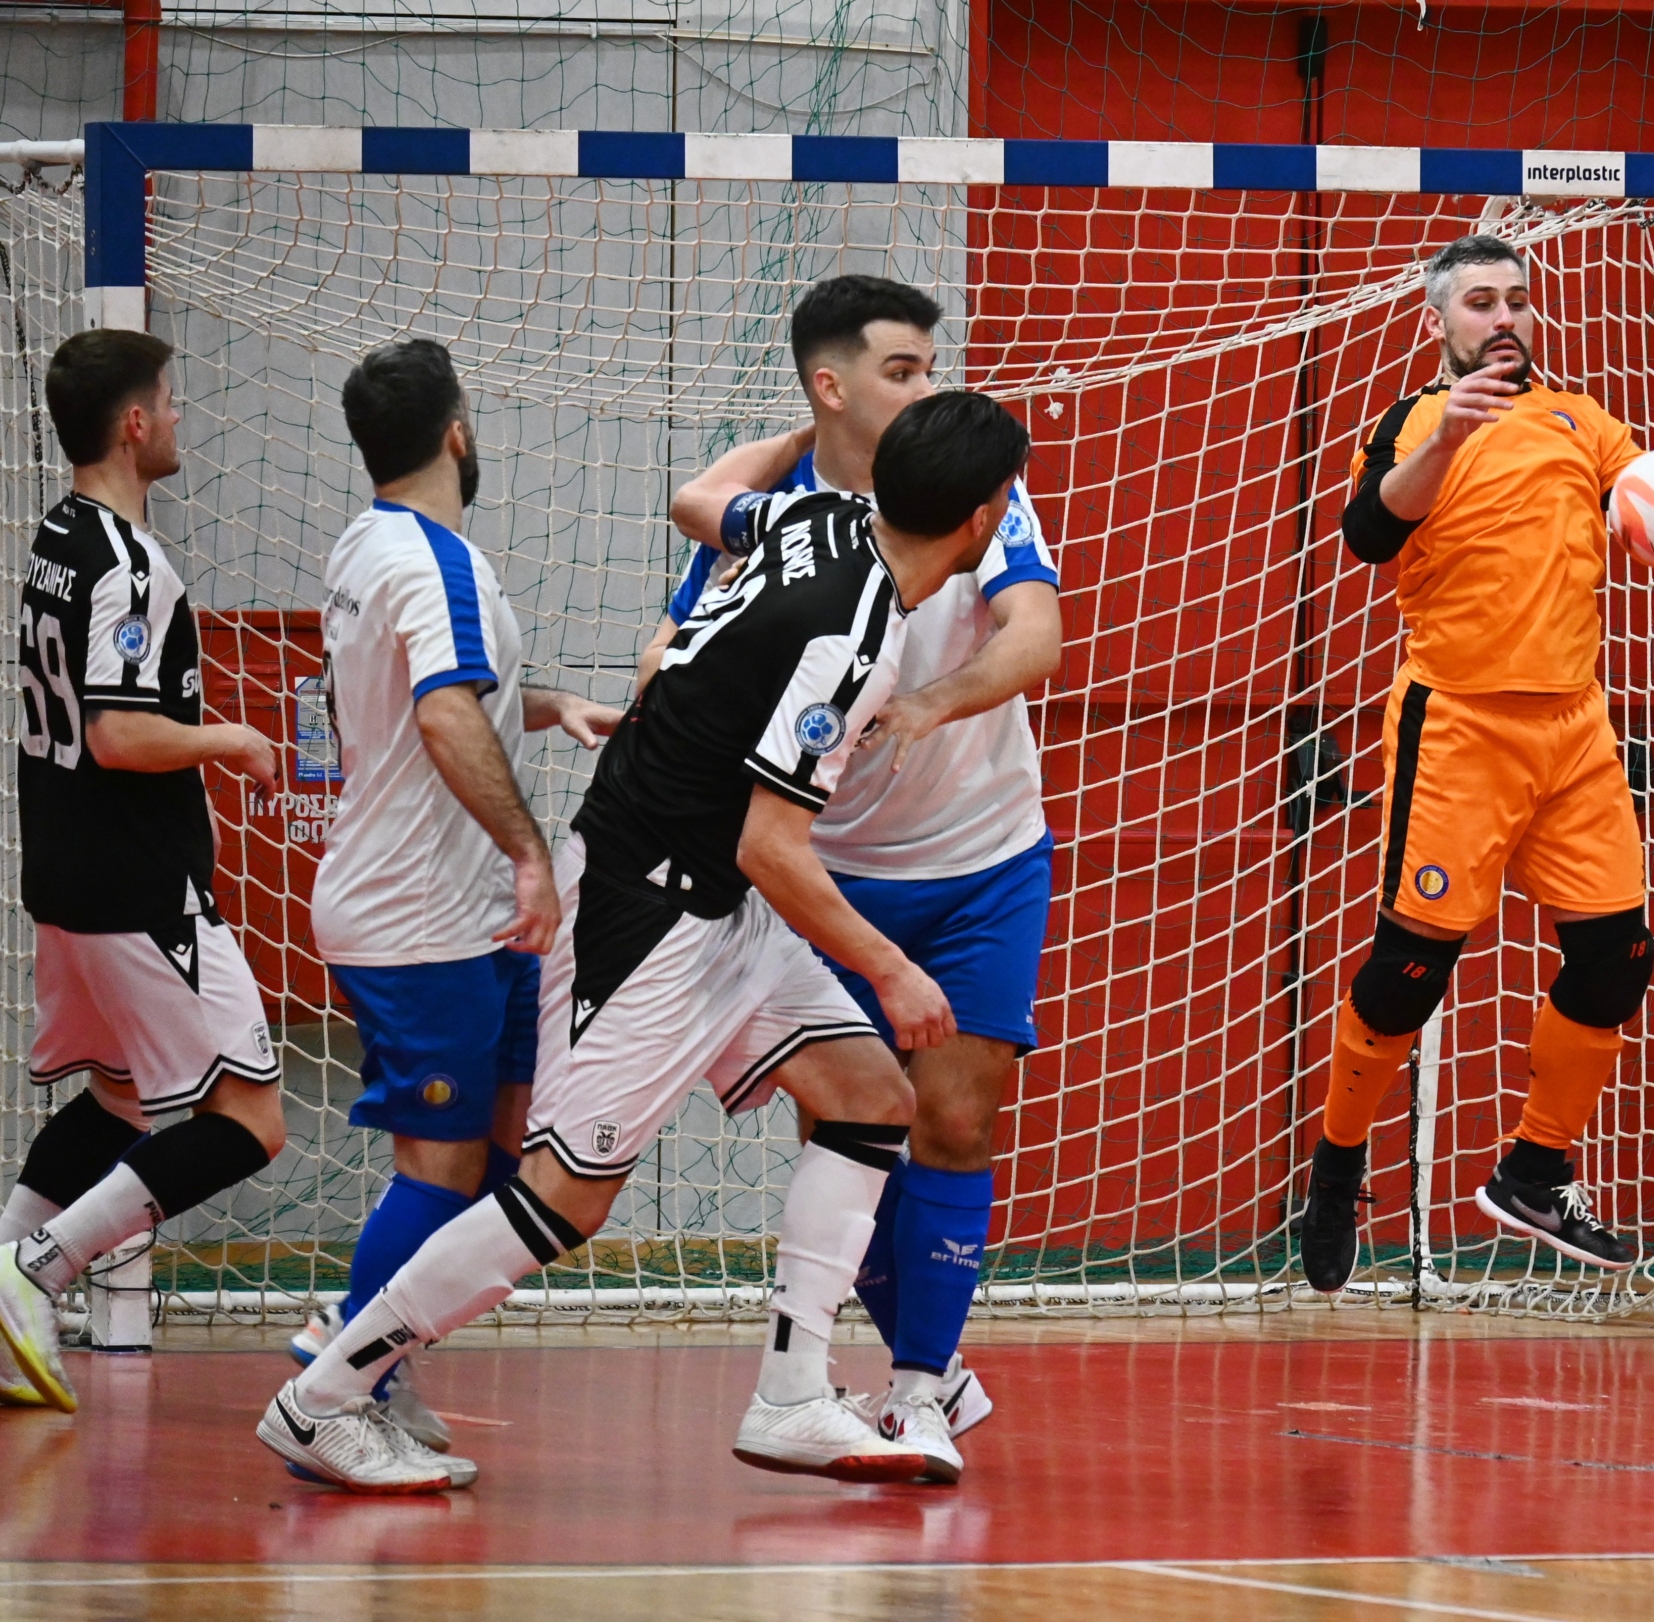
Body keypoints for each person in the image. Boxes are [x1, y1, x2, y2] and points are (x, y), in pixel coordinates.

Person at [257, 390, 1030, 1493]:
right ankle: (325, 1395)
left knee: (869, 1095)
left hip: (718, 898)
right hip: (651, 909)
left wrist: (799, 436)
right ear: (985, 517)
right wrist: (894, 968)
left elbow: (702, 500)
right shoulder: (858, 634)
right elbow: (773, 844)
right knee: (563, 1198)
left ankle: (792, 1394)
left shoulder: (814, 517)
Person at [1298, 234, 1654, 1289]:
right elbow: (1370, 534)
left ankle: (1533, 1169)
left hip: (1573, 732)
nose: (1504, 316)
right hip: (1458, 726)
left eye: (1518, 298)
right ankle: (1336, 1164)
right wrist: (1447, 437)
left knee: (1618, 957)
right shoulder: (1415, 421)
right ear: (1438, 322)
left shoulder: (1580, 419)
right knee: (1409, 970)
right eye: (1480, 301)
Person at [663, 275, 1060, 1484]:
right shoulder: (785, 520)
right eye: (902, 369)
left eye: (933, 365)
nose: (928, 386)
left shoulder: (982, 494)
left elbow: (1035, 634)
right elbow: (681, 593)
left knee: (959, 1118)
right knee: (857, 1128)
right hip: (827, 870)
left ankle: (918, 1388)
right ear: (830, 387)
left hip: (984, 854)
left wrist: (932, 700)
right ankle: (908, 1361)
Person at [289, 339, 621, 1454]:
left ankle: (364, 1340)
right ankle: (341, 1386)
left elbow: (445, 697)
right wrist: (530, 856)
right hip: (422, 912)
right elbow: (438, 713)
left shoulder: (368, 542)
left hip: (459, 911)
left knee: (510, 1148)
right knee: (441, 1163)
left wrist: (551, 704)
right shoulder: (435, 563)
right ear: (457, 433)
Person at [0, 330, 285, 1412]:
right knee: (250, 1121)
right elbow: (119, 733)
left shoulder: (54, 538)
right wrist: (231, 739)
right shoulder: (129, 563)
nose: (177, 418)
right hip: (138, 887)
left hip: (66, 873)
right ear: (132, 423)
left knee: (120, 1096)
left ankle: (7, 1270)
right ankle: (38, 1269)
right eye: (167, 401)